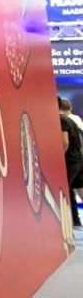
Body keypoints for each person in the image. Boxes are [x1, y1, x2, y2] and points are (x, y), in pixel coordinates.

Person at [61, 97, 83, 228]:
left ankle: (72, 220)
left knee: (67, 189)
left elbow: (65, 142)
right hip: (79, 157)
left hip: (72, 159)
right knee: (78, 189)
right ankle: (75, 220)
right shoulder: (77, 119)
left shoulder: (64, 120)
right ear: (70, 107)